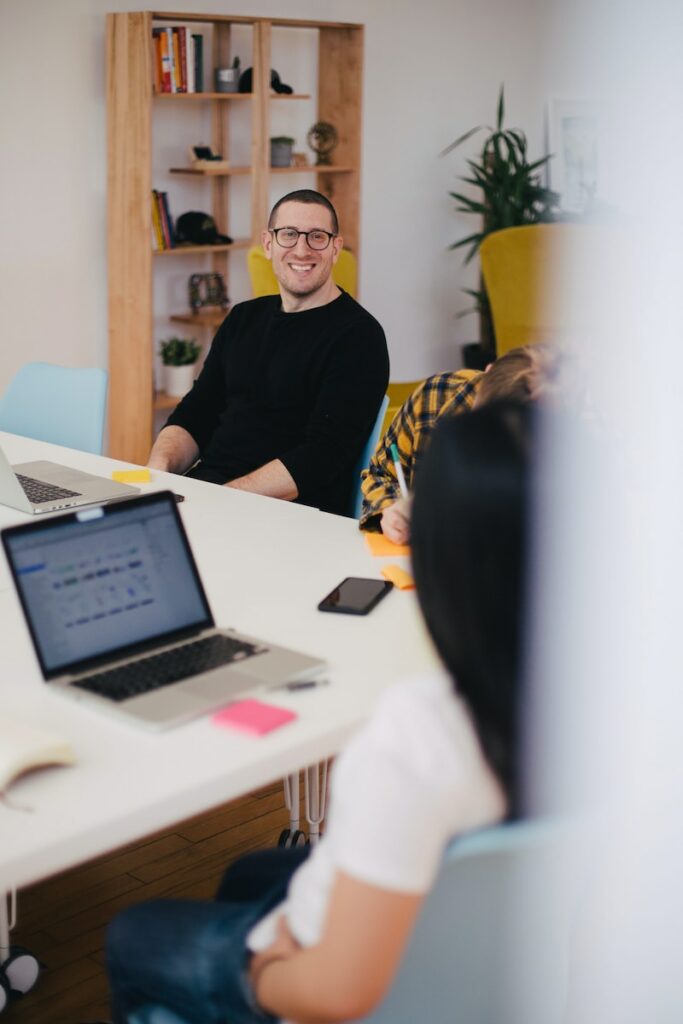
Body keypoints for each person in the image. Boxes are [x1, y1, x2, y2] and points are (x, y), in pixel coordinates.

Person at [106, 400, 533, 1024]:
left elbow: (339, 992)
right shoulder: (605, 702)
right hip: (481, 948)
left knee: (133, 931)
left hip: (333, 968)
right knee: (250, 873)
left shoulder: (420, 729)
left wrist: (264, 972)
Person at [148, 190, 389, 517]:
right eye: (288, 235)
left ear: (335, 248)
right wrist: (156, 473)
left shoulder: (359, 336)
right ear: (268, 244)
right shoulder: (243, 318)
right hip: (211, 498)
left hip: (289, 516)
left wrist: (220, 497)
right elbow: (197, 412)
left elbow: (320, 457)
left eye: (316, 237)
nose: (301, 250)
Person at [360, 343, 556, 543]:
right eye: (479, 417)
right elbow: (381, 473)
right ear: (487, 372)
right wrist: (390, 509)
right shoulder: (436, 396)